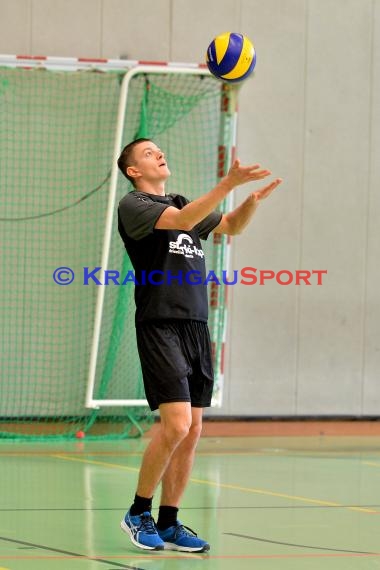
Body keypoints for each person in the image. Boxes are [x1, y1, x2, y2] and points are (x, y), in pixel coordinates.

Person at [117, 138, 282, 553]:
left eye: (159, 150)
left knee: (192, 432)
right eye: (148, 153)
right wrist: (228, 182)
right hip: (161, 323)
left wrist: (251, 202)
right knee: (176, 425)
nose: (158, 154)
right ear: (134, 170)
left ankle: (169, 522)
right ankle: (138, 512)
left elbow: (230, 227)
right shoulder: (135, 205)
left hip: (195, 325)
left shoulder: (180, 201)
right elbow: (184, 219)